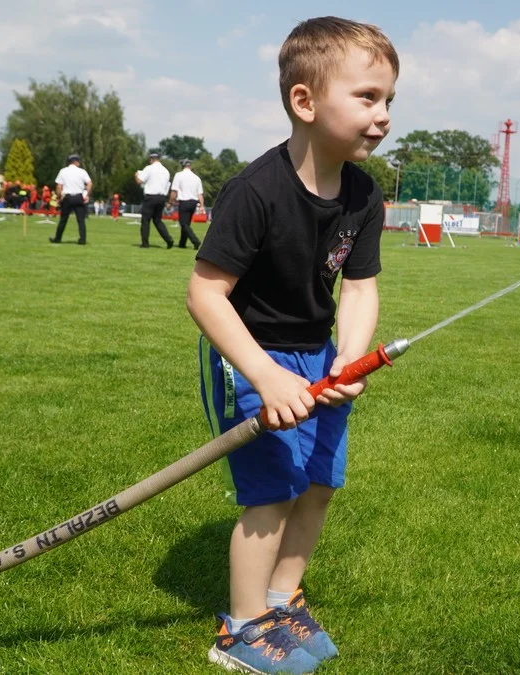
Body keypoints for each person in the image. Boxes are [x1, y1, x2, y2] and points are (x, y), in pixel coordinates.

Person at [186, 16, 396, 674]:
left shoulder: (364, 194)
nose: (384, 115)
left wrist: (349, 358)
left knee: (320, 483)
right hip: (249, 352)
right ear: (304, 101)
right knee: (272, 492)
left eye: (390, 100)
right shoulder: (255, 193)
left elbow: (359, 289)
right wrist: (265, 375)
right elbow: (205, 294)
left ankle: (281, 599)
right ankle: (241, 630)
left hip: (318, 354)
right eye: (367, 97)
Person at [51, 154, 92, 245]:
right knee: (81, 220)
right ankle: (82, 239)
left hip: (67, 198)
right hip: (78, 197)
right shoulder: (82, 172)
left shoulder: (63, 171)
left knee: (63, 219)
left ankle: (57, 238)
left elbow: (59, 186)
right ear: (76, 162)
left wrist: (58, 197)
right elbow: (89, 183)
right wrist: (86, 195)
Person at [135, 152, 174, 248]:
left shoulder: (149, 168)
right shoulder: (166, 171)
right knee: (157, 220)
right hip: (161, 197)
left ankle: (145, 243)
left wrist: (136, 175)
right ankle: (168, 239)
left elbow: (139, 181)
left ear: (151, 159)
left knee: (145, 220)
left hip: (151, 197)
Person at [170, 158, 205, 249]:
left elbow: (174, 190)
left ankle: (195, 241)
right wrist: (201, 206)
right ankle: (182, 243)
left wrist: (170, 201)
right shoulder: (197, 178)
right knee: (186, 224)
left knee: (183, 224)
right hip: (194, 202)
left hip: (184, 201)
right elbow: (200, 194)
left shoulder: (179, 175)